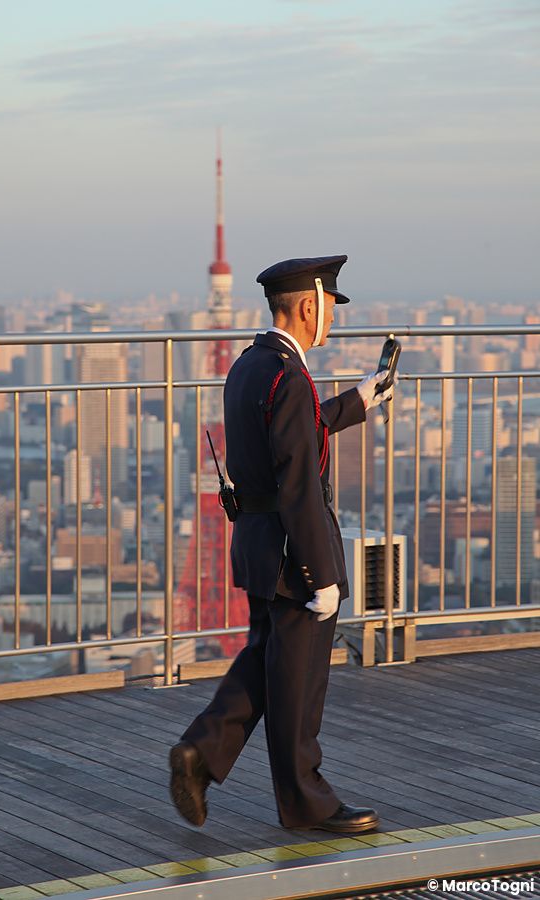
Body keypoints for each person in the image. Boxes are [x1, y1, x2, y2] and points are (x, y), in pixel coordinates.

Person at [170, 255, 395, 833]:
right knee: (298, 681)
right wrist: (323, 576)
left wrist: (357, 402)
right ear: (306, 306)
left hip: (258, 544)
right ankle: (306, 801)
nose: (332, 322)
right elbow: (297, 481)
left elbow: (290, 434)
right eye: (329, 309)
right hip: (294, 555)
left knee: (265, 663)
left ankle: (200, 752)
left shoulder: (250, 366)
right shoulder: (290, 377)